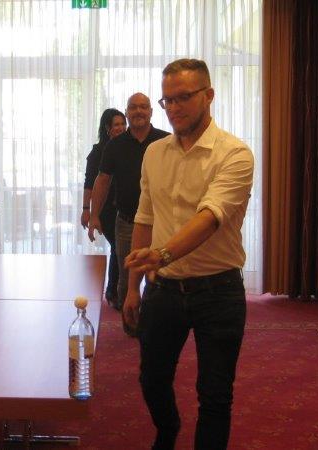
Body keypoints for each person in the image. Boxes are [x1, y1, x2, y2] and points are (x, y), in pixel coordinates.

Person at [123, 59, 254, 449]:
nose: (174, 108)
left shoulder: (235, 154)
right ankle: (168, 431)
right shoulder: (155, 153)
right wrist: (132, 288)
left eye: (183, 97)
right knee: (152, 379)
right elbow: (144, 218)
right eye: (168, 100)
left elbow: (209, 218)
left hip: (219, 292)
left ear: (208, 95)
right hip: (164, 290)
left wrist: (163, 255)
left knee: (215, 395)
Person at [88, 93, 169, 326]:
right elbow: (102, 180)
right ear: (127, 113)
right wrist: (93, 215)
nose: (138, 111)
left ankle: (155, 325)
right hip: (125, 223)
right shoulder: (115, 145)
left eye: (143, 107)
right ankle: (130, 324)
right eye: (133, 107)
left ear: (151, 112)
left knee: (159, 278)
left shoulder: (166, 141)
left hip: (160, 224)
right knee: (126, 278)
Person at [81, 108, 126, 308]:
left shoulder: (127, 148)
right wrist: (87, 210)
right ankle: (112, 290)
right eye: (116, 125)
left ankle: (118, 289)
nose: (121, 128)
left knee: (121, 248)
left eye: (123, 124)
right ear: (107, 128)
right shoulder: (98, 152)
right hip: (104, 209)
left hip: (124, 207)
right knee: (117, 246)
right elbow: (89, 183)